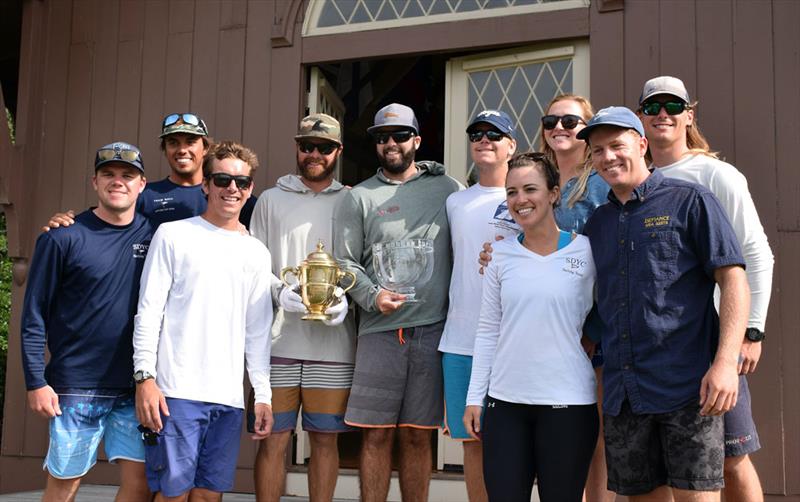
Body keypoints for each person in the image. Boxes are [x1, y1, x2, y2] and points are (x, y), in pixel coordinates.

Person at [579, 107, 750, 501]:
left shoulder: (690, 201)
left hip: (687, 388)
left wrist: (726, 363)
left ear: (641, 144)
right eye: (599, 150)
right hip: (625, 394)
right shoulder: (597, 225)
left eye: (617, 146)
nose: (608, 157)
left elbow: (734, 279)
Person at [636, 76, 773, 502]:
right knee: (670, 467)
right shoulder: (635, 180)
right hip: (661, 352)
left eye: (673, 106)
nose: (663, 113)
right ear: (641, 117)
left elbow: (756, 253)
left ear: (688, 116)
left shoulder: (716, 174)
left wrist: (751, 332)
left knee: (732, 458)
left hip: (716, 343)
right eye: (654, 106)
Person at [333, 103, 463, 502]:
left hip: (432, 330)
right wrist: (372, 296)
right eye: (381, 137)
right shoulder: (359, 197)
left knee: (418, 438)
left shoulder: (448, 189)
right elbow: (343, 261)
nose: (391, 143)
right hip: (379, 331)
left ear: (417, 141)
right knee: (374, 438)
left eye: (400, 135)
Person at [133, 141, 274, 501]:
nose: (232, 189)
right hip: (176, 393)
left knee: (210, 496)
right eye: (223, 179)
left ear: (250, 189)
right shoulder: (173, 235)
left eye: (241, 183)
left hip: (227, 398)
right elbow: (148, 311)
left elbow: (257, 330)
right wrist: (145, 378)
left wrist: (263, 395)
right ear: (206, 185)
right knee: (173, 495)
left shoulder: (256, 252)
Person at [20, 142, 153, 501]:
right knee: (65, 485)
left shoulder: (156, 237)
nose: (118, 182)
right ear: (94, 181)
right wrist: (35, 381)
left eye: (128, 175)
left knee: (140, 484)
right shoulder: (62, 236)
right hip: (76, 386)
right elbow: (34, 314)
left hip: (133, 387)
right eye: (108, 174)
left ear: (142, 184)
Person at [464, 152, 599, 502]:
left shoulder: (587, 252)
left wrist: (593, 339)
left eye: (530, 189)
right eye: (511, 192)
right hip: (505, 404)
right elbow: (488, 330)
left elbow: (611, 310)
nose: (520, 200)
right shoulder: (499, 256)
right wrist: (474, 398)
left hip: (568, 403)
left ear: (554, 193)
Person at [249, 113, 354, 502]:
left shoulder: (351, 199)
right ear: (297, 148)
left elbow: (358, 262)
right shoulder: (271, 200)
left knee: (325, 441)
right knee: (273, 439)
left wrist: (345, 295)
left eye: (324, 147)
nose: (314, 153)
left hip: (334, 344)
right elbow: (254, 264)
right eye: (307, 145)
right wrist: (279, 291)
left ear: (338, 152)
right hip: (277, 344)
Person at [438, 109, 518, 502]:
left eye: (494, 134)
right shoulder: (455, 201)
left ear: (511, 146)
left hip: (512, 342)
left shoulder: (525, 198)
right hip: (459, 341)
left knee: (514, 444)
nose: (484, 140)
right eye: (476, 133)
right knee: (472, 442)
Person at [44, 112, 256, 230]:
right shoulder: (144, 195)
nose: (182, 150)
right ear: (164, 149)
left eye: (190, 142)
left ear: (205, 148)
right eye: (173, 142)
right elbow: (107, 219)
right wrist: (68, 222)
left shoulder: (233, 195)